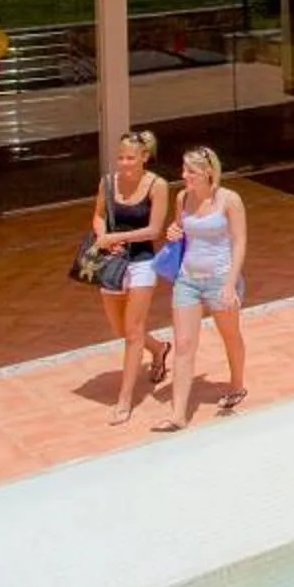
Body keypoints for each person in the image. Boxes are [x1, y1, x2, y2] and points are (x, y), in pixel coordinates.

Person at [157, 145, 248, 432]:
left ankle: (236, 384)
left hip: (220, 278)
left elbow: (239, 242)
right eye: (184, 170)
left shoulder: (229, 200)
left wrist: (231, 284)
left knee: (230, 335)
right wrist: (173, 231)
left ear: (208, 172)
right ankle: (178, 414)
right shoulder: (182, 198)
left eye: (191, 171)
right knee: (184, 345)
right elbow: (181, 230)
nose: (185, 176)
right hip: (187, 280)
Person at [92, 130, 172, 425]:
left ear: (144, 158)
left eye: (130, 158)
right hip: (112, 262)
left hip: (142, 262)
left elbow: (154, 231)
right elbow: (98, 215)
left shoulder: (157, 185)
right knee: (120, 329)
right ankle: (159, 348)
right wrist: (103, 237)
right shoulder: (107, 183)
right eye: (120, 157)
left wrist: (119, 236)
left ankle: (124, 399)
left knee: (133, 330)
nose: (124, 163)